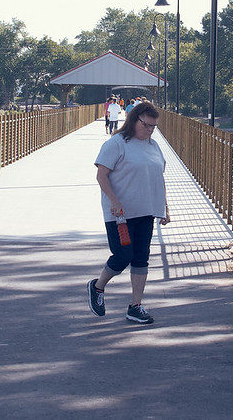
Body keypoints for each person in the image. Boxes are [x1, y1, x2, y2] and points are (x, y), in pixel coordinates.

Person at [87, 101, 170, 324]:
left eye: (154, 127)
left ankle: (135, 306)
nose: (150, 130)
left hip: (146, 211)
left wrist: (164, 207)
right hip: (120, 214)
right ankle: (97, 287)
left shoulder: (153, 146)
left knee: (141, 258)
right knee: (123, 255)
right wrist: (114, 201)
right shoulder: (116, 143)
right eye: (147, 125)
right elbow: (101, 176)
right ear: (134, 120)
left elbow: (158, 177)